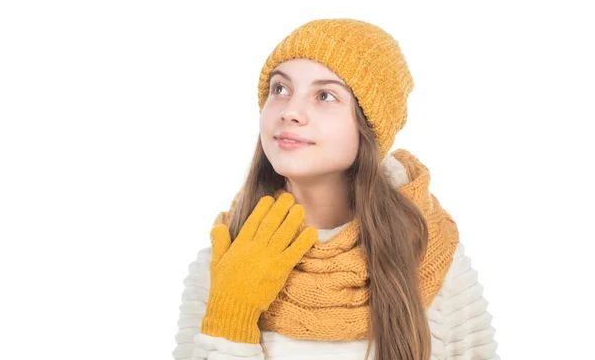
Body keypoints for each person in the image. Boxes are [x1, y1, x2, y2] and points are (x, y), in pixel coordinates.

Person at [172, 18, 499, 360]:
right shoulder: (224, 261)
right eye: (280, 89)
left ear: (369, 126)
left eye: (325, 95)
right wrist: (231, 315)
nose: (291, 112)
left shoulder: (430, 254)